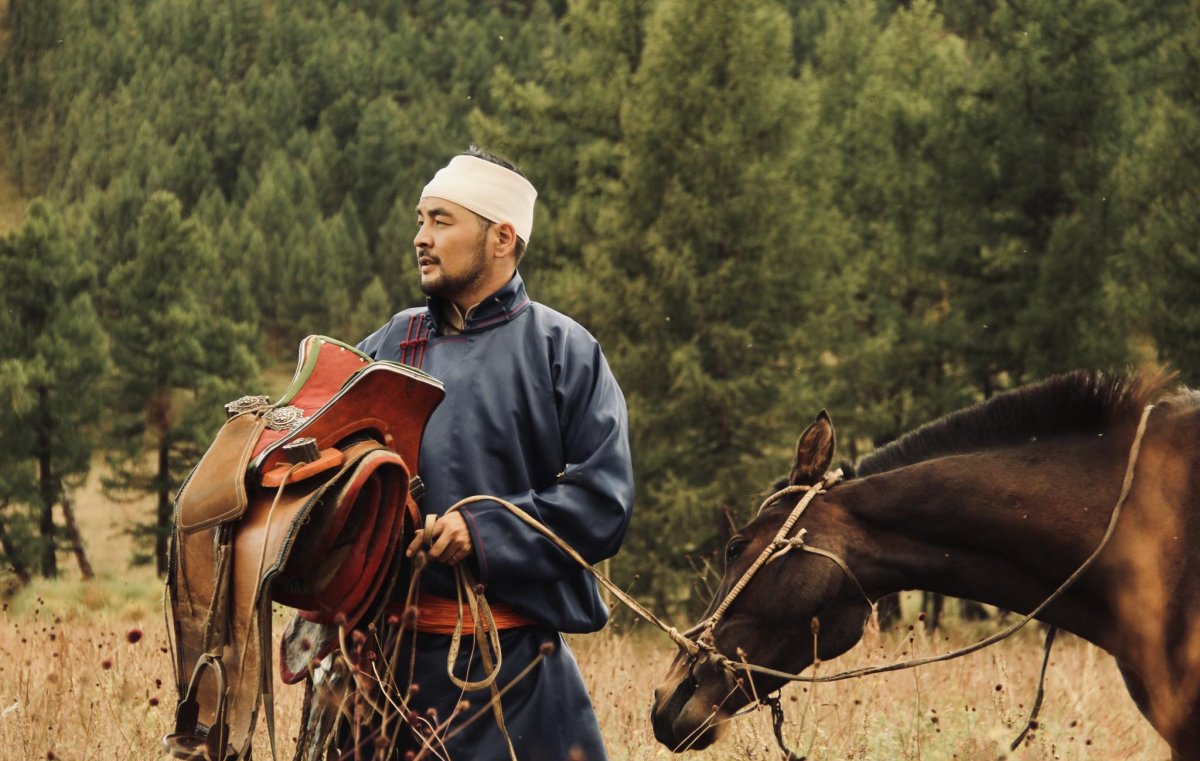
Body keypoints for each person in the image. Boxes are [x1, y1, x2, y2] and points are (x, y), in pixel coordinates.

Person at [355, 146, 634, 760]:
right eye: (420, 219)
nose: (420, 237)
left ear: (502, 236)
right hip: (379, 678)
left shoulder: (564, 350)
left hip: (513, 677)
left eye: (440, 221)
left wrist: (480, 530)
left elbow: (603, 501)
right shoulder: (389, 344)